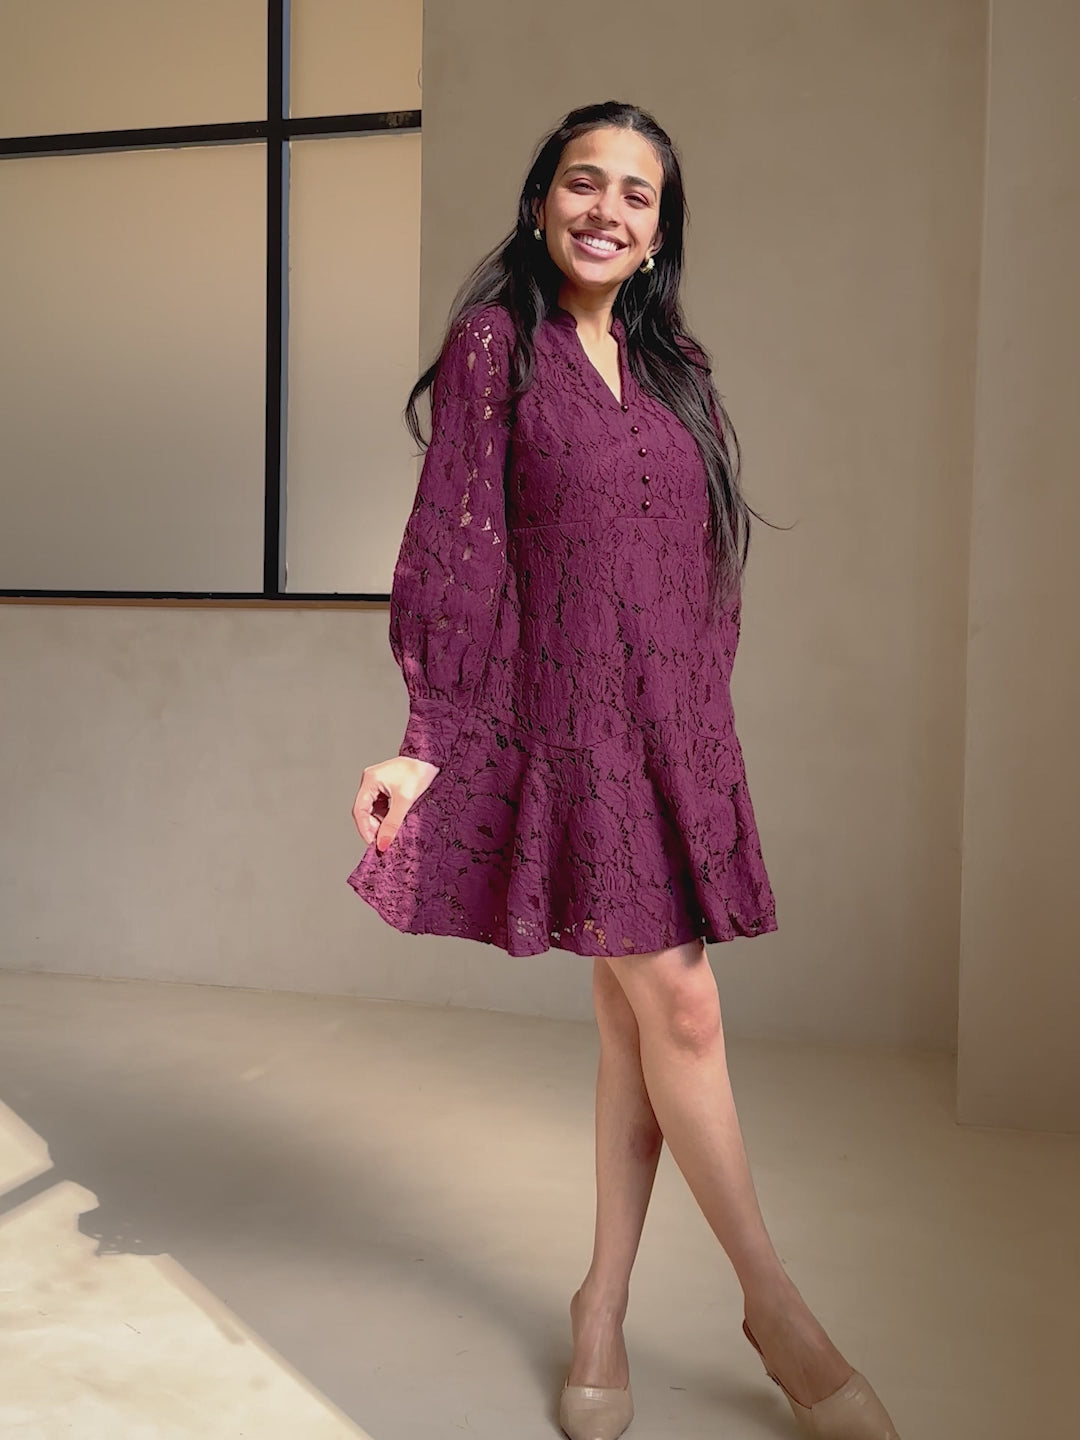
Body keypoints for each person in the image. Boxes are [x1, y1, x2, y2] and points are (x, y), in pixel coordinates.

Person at [348, 101, 900, 1440]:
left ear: (659, 232)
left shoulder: (674, 366)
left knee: (633, 1029)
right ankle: (777, 1309)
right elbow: (459, 547)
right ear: (542, 200)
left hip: (672, 731)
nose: (606, 210)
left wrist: (699, 732)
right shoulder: (497, 345)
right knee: (683, 1011)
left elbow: (700, 566)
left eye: (635, 195)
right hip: (565, 727)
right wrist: (426, 737)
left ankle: (601, 1306)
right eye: (582, 183)